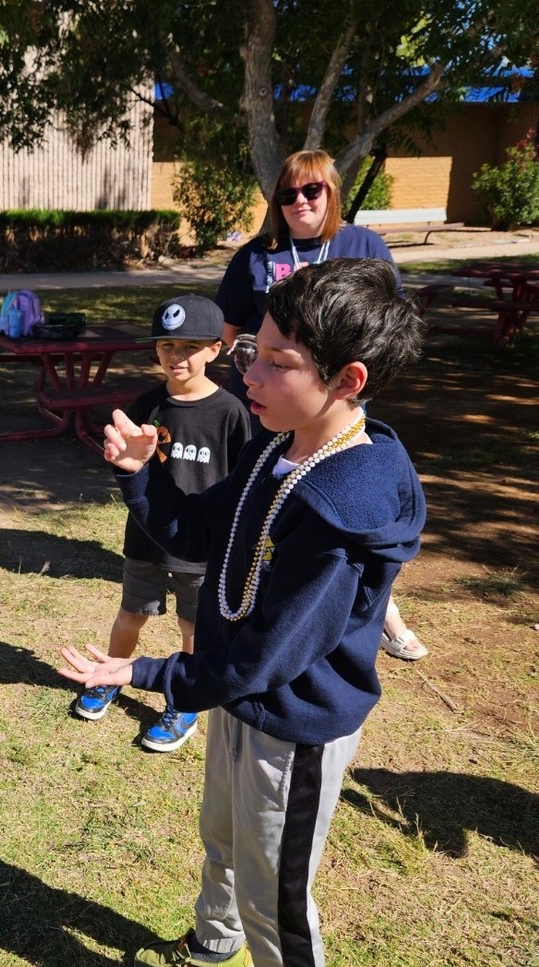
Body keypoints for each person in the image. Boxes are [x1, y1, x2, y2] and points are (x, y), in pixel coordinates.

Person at [59, 258, 426, 967]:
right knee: (223, 838)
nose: (248, 373)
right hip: (236, 696)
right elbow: (197, 531)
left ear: (348, 380)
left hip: (290, 726)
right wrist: (141, 476)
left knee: (275, 899)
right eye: (252, 351)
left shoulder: (343, 507)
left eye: (276, 362)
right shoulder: (275, 443)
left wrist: (148, 673)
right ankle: (218, 950)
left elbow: (269, 657)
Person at [216, 148, 428, 661]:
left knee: (331, 520)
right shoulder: (257, 254)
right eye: (286, 193)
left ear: (332, 192)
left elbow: (386, 330)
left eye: (311, 190)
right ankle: (256, 588)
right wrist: (263, 367)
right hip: (272, 410)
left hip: (333, 410)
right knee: (269, 507)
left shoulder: (362, 245)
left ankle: (383, 613)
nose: (299, 201)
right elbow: (229, 328)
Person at [74, 295, 250, 751]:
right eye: (167, 345)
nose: (177, 356)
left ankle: (186, 699)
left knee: (194, 628)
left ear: (215, 349)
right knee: (131, 614)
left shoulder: (232, 412)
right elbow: (130, 467)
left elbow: (242, 481)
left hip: (201, 546)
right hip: (147, 538)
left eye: (190, 346)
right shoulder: (147, 404)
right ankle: (109, 674)